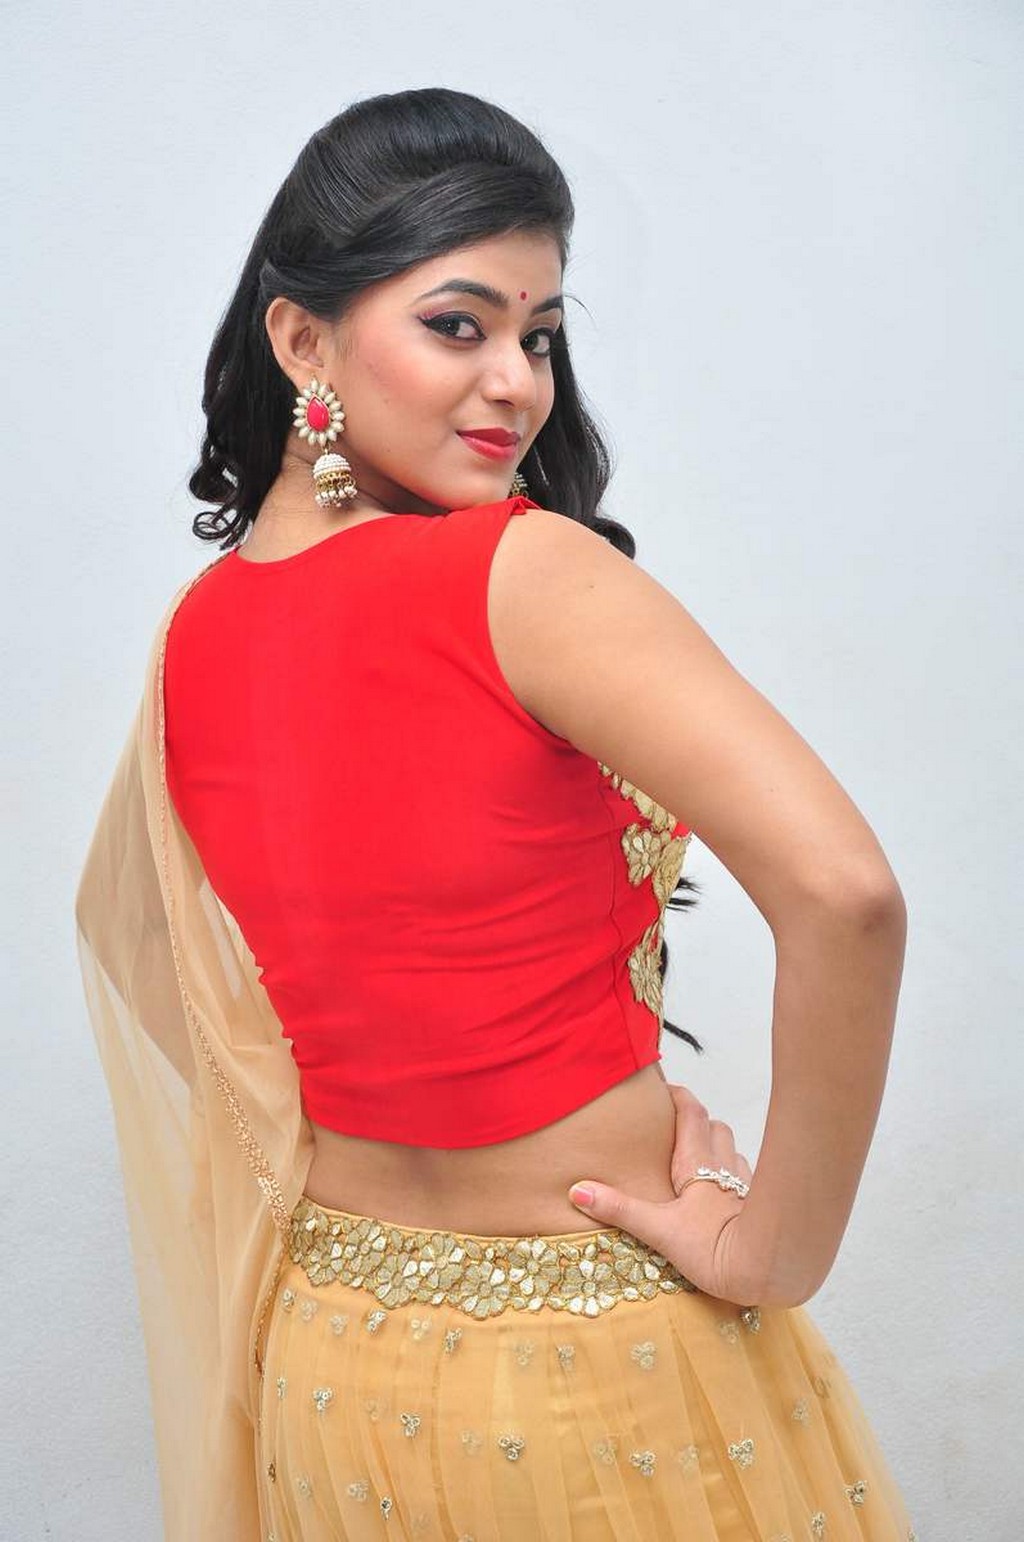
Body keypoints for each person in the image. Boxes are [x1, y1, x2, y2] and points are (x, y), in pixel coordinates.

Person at [74, 87, 918, 1541]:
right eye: (459, 324)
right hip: (595, 1367)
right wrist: (774, 1248)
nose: (516, 382)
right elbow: (848, 895)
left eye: (539, 335)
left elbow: (158, 970)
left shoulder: (193, 636)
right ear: (302, 340)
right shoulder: (525, 574)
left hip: (326, 1366)